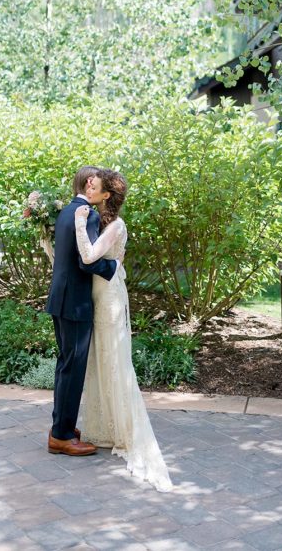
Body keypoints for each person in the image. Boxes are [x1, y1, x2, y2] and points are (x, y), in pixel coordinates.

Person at [75, 168, 173, 492]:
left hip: (111, 301)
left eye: (96, 186)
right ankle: (104, 426)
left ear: (106, 196)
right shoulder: (101, 221)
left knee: (115, 361)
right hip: (98, 297)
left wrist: (77, 219)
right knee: (100, 361)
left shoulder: (116, 225)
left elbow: (89, 255)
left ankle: (123, 431)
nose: (90, 187)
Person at [45, 166, 117, 456]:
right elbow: (86, 261)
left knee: (65, 364)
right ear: (91, 186)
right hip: (76, 303)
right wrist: (113, 267)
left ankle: (60, 426)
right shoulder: (89, 214)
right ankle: (61, 436)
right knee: (73, 369)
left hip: (59, 299)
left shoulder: (65, 211)